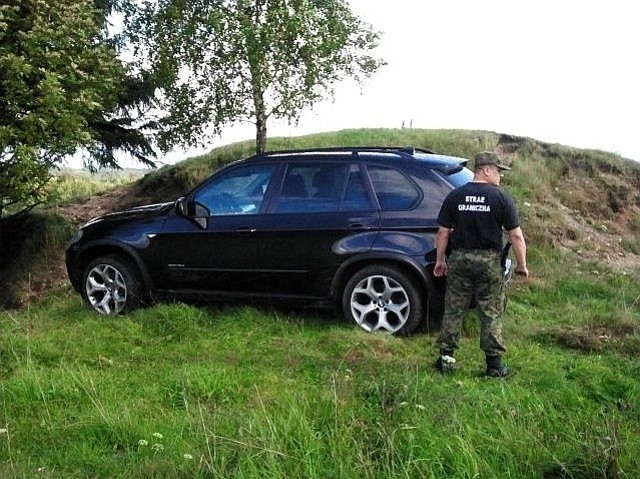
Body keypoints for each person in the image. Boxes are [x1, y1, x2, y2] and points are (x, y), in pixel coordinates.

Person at [433, 151, 528, 377]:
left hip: (460, 260)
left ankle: (446, 359)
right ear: (486, 170)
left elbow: (443, 232)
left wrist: (439, 261)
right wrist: (522, 265)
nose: (500, 177)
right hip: (489, 262)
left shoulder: (455, 196)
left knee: (454, 309)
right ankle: (494, 366)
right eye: (498, 171)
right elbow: (516, 236)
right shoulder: (501, 198)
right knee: (490, 311)